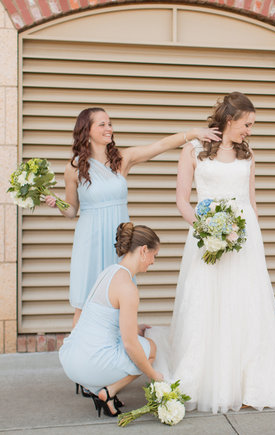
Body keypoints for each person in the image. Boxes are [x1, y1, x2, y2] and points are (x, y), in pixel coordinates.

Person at [163, 92, 275, 413]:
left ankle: (249, 379)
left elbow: (251, 201)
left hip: (244, 238)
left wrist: (253, 240)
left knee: (245, 303)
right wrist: (207, 228)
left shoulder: (248, 154)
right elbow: (183, 200)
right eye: (247, 124)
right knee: (206, 302)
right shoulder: (194, 150)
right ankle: (205, 377)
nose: (250, 131)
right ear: (230, 120)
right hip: (206, 235)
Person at [45, 107, 220, 327]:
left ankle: (121, 349)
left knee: (121, 296)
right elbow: (71, 211)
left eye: (110, 123)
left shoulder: (122, 159)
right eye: (102, 124)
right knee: (85, 301)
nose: (109, 128)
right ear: (86, 130)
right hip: (90, 240)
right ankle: (78, 357)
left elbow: (159, 146)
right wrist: (56, 202)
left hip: (120, 239)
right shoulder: (73, 168)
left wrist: (194, 133)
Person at [59, 222, 164, 417]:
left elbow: (102, 318)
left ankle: (100, 389)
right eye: (154, 255)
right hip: (90, 364)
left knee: (138, 341)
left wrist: (136, 327)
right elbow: (130, 345)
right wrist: (154, 375)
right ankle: (109, 391)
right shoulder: (128, 288)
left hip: (71, 359)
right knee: (150, 348)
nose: (153, 262)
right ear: (143, 251)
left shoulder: (109, 272)